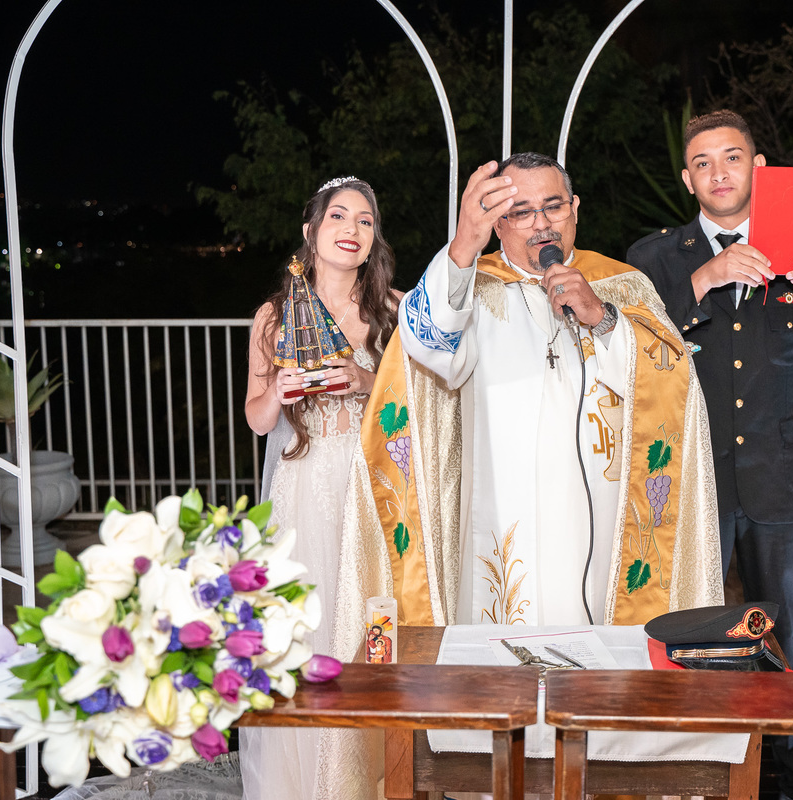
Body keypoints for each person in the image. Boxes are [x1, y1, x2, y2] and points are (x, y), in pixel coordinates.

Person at [626, 110, 793, 800]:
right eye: (704, 162)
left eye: (732, 157)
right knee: (688, 631)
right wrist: (702, 281)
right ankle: (693, 772)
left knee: (787, 639)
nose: (719, 172)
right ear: (688, 179)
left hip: (781, 482)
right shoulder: (655, 257)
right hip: (691, 483)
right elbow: (621, 354)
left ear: (759, 167)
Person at [347, 152, 722, 628]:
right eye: (521, 213)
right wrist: (463, 243)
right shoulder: (471, 289)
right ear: (497, 225)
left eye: (554, 207)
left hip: (600, 518)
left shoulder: (620, 285)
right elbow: (424, 345)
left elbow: (673, 378)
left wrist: (603, 318)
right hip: (505, 509)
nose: (542, 224)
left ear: (576, 208)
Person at [241, 176, 400, 800]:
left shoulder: (392, 308)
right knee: (302, 625)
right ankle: (300, 780)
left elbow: (421, 405)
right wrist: (277, 393)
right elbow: (255, 419)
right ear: (311, 232)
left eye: (365, 220)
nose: (351, 230)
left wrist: (365, 380)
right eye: (338, 216)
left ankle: (366, 774)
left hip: (368, 483)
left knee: (367, 622)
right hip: (302, 482)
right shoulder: (274, 317)